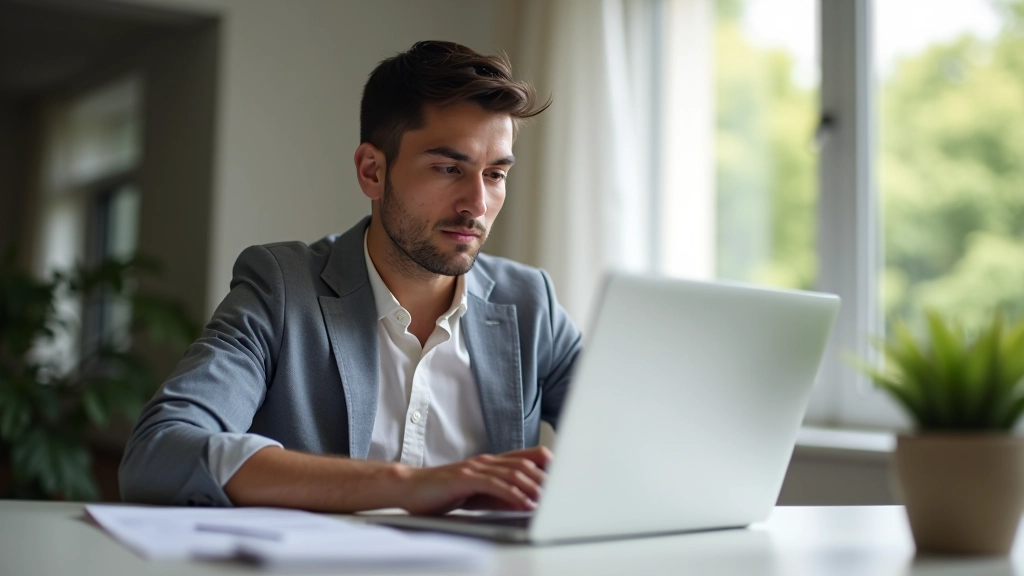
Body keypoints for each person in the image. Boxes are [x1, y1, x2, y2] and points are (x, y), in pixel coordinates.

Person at [119, 41, 582, 514]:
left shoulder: (532, 305)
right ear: (372, 171)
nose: (477, 205)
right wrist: (406, 485)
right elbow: (160, 452)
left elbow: (637, 450)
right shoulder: (281, 290)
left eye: (495, 174)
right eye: (448, 168)